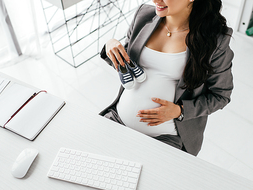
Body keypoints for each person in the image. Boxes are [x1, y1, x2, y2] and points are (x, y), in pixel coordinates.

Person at [99, 0, 234, 156]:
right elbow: (129, 67)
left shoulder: (215, 40)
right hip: (117, 119)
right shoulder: (143, 16)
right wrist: (111, 48)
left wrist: (179, 111)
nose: (156, 0)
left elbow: (221, 96)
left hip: (165, 139)